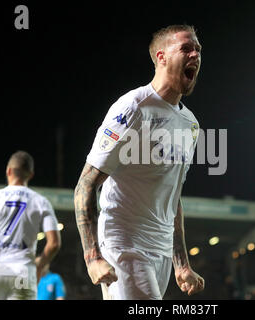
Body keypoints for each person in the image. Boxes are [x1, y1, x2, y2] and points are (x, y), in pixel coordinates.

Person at [74, 24, 205, 300]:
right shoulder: (133, 107)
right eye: (186, 48)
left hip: (160, 249)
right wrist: (93, 258)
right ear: (161, 57)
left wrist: (181, 264)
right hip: (125, 243)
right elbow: (85, 185)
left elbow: (173, 197)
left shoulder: (190, 124)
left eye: (198, 50)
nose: (195, 55)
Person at [0, 151, 61, 300]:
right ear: (31, 174)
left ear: (8, 171)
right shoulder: (41, 201)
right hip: (24, 271)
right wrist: (40, 264)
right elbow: (54, 244)